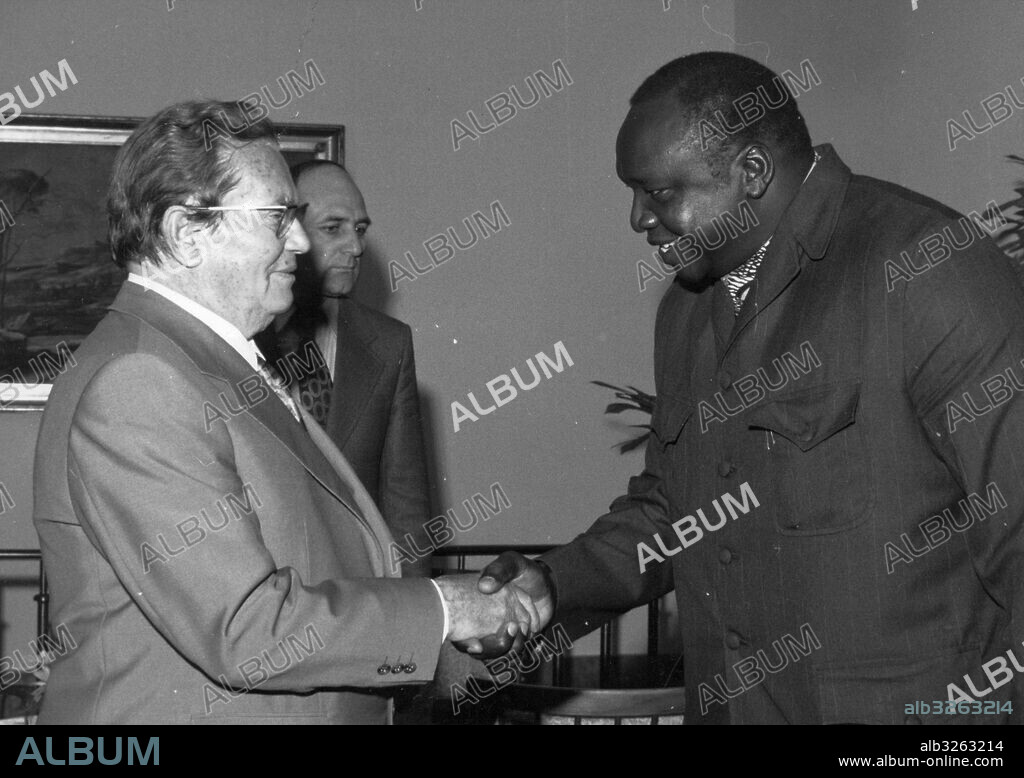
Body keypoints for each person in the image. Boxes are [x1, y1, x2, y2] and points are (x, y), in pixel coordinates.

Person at [473, 51, 1024, 724]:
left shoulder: (930, 268)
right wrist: (553, 582)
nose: (638, 219)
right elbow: (675, 511)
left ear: (751, 174)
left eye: (659, 193)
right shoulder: (688, 307)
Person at [31, 100, 539, 725]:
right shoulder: (142, 381)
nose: (300, 241)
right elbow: (248, 629)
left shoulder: (204, 361)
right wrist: (445, 609)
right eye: (278, 217)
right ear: (187, 233)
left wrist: (441, 626)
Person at [256, 160, 433, 578]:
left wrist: (413, 625)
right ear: (288, 233)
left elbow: (406, 508)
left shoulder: (389, 344)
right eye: (333, 228)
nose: (354, 248)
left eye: (360, 229)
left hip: (363, 609)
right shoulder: (236, 337)